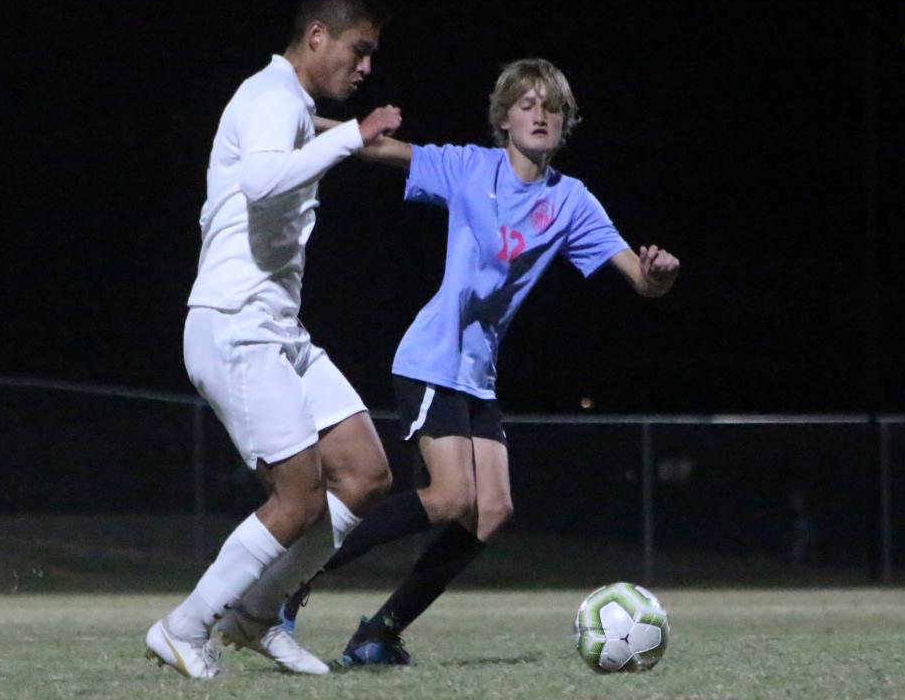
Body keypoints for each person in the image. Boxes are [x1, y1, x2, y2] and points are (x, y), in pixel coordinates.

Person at [284, 58, 680, 666]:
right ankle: (288, 582)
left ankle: (379, 633)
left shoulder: (570, 201)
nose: (540, 114)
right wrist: (295, 120)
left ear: (566, 122)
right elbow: (377, 149)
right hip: (428, 359)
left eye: (552, 106)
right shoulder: (471, 168)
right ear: (503, 119)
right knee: (448, 498)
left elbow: (640, 280)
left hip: (476, 374)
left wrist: (657, 274)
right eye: (526, 104)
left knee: (491, 511)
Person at [144, 0, 401, 679]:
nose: (366, 65)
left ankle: (256, 617)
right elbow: (261, 181)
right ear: (316, 37)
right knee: (297, 496)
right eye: (359, 49)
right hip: (233, 326)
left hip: (278, 329)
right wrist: (353, 133)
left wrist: (370, 143)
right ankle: (184, 626)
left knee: (366, 474)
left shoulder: (288, 105)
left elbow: (299, 149)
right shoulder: (269, 96)